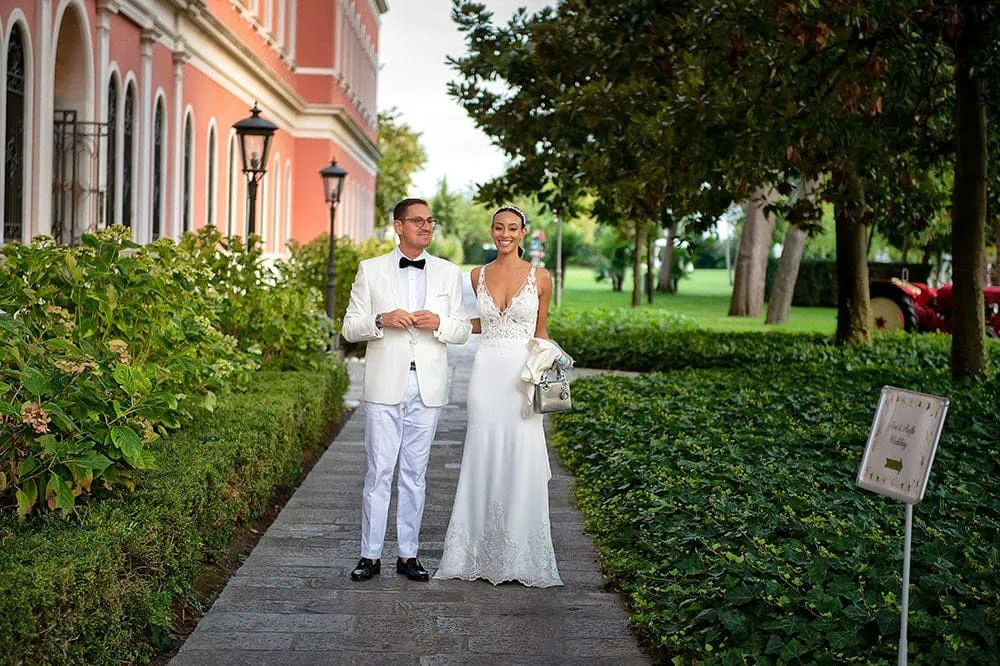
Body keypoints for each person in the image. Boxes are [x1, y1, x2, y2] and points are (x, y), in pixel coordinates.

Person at [341, 198, 472, 582]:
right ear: (398, 226)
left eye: (430, 221)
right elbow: (350, 327)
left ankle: (408, 554)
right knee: (379, 470)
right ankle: (370, 555)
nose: (426, 227)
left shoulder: (449, 273)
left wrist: (440, 322)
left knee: (415, 473)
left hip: (427, 385)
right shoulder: (371, 270)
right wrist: (380, 319)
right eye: (417, 221)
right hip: (385, 384)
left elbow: (463, 330)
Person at [434, 205, 563, 587]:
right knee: (483, 452)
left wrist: (545, 366)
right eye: (498, 227)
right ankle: (472, 551)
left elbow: (541, 330)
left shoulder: (541, 277)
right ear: (491, 231)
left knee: (521, 456)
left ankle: (520, 555)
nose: (504, 234)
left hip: (520, 377)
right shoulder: (476, 275)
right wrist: (440, 323)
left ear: (523, 233)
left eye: (512, 228)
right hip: (486, 375)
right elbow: (481, 323)